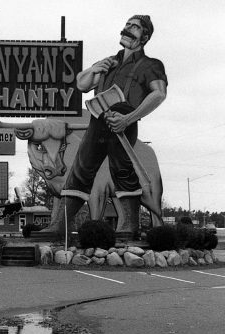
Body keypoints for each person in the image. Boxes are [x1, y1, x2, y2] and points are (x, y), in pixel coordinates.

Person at [46, 15, 168, 239]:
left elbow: (159, 94)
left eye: (135, 27)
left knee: (122, 169)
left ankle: (130, 225)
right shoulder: (110, 61)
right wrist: (95, 69)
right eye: (127, 25)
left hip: (124, 121)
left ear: (145, 37)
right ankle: (60, 224)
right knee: (80, 169)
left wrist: (128, 119)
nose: (128, 29)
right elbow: (81, 84)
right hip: (98, 119)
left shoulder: (151, 65)